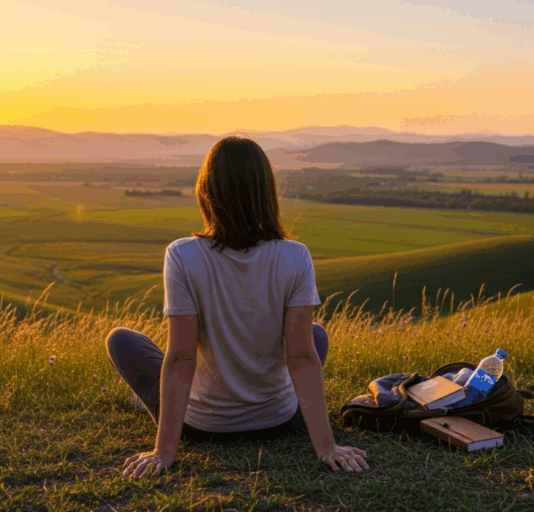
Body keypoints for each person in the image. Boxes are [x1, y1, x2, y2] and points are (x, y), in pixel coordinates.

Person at [105, 136, 369, 478]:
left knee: (121, 340)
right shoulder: (296, 255)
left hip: (203, 426)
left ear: (206, 191)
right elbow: (301, 357)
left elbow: (182, 357)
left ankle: (155, 401)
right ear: (266, 192)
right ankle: (265, 402)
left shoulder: (183, 255)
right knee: (314, 337)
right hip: (278, 420)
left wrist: (164, 451)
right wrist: (326, 446)